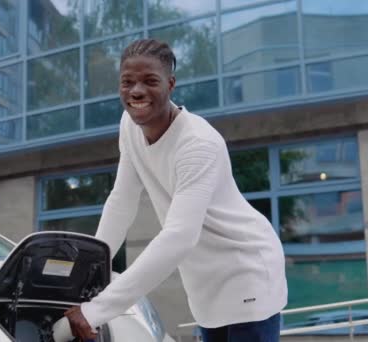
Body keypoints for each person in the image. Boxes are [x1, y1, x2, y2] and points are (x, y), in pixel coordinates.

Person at [63, 39, 287, 342]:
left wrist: (97, 310)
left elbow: (179, 237)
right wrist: (88, 270)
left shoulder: (197, 143)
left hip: (246, 271)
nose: (136, 91)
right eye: (127, 82)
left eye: (150, 81)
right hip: (206, 286)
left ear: (170, 84)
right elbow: (122, 201)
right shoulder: (129, 127)